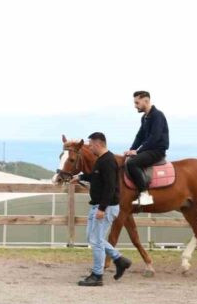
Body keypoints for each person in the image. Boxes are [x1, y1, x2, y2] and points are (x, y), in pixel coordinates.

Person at [72, 132, 131, 286]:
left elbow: (110, 187)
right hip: (97, 206)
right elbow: (96, 177)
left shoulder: (108, 161)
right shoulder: (101, 160)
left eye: (91, 144)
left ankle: (97, 275)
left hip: (105, 207)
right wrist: (80, 177)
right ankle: (119, 259)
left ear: (98, 144)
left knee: (96, 241)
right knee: (92, 238)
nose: (89, 147)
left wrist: (102, 208)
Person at [124, 91, 169, 206]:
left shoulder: (157, 115)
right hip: (148, 150)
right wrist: (131, 150)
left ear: (146, 101)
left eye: (137, 103)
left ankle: (144, 194)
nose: (135, 106)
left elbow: (155, 137)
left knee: (132, 163)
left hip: (157, 150)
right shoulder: (145, 117)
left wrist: (138, 151)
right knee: (127, 160)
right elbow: (139, 136)